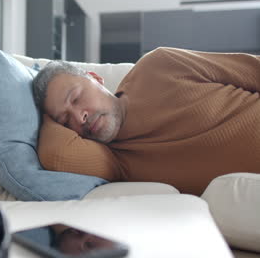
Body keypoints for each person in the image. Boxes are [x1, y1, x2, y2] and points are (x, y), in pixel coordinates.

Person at [32, 47, 260, 195]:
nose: (78, 117)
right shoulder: (115, 159)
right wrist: (46, 113)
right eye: (64, 120)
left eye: (76, 98)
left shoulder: (160, 66)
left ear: (95, 78)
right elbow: (56, 155)